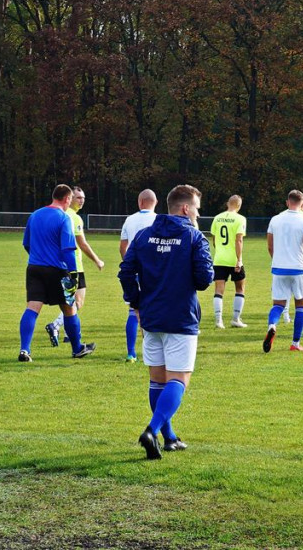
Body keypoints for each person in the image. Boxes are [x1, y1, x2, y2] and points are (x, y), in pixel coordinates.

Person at [119, 184, 213, 459]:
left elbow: (126, 271)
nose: (197, 212)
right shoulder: (194, 237)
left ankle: (169, 438)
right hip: (181, 316)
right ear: (185, 208)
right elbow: (205, 279)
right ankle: (152, 430)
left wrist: (135, 301)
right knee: (179, 379)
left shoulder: (144, 235)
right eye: (196, 207)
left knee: (157, 380)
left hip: (151, 316)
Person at [19, 185, 96, 361]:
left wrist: (38, 257)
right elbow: (68, 249)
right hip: (57, 270)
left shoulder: (35, 215)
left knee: (32, 308)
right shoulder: (63, 218)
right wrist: (73, 273)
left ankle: (25, 350)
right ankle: (77, 349)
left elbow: (26, 243)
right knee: (69, 309)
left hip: (34, 268)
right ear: (67, 199)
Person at [45, 186, 104, 346]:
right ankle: (55, 326)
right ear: (69, 199)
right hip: (74, 265)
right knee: (77, 302)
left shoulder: (59, 215)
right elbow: (82, 243)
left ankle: (68, 334)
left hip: (58, 264)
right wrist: (97, 260)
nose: (81, 200)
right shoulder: (74, 218)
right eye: (78, 197)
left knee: (69, 301)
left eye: (83, 198)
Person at [264, 190, 303, 352]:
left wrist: (277, 259)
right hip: (298, 268)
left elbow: (270, 246)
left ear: (287, 202)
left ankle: (272, 325)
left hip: (279, 268)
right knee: (300, 305)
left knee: (278, 304)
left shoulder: (275, 219)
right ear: (302, 204)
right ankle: (295, 343)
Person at [119, 189, 158, 362]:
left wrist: (130, 266)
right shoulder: (158, 220)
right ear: (155, 202)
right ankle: (152, 352)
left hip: (135, 271)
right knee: (154, 311)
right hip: (154, 272)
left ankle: (131, 353)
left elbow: (123, 247)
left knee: (133, 311)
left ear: (140, 202)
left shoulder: (130, 219)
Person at [209, 195, 248, 329]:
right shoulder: (241, 219)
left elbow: (214, 240)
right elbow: (239, 240)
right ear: (239, 205)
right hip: (234, 260)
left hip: (219, 259)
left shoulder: (217, 218)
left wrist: (220, 252)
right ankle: (235, 319)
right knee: (240, 288)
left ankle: (219, 321)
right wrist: (239, 260)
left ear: (228, 203)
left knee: (219, 290)